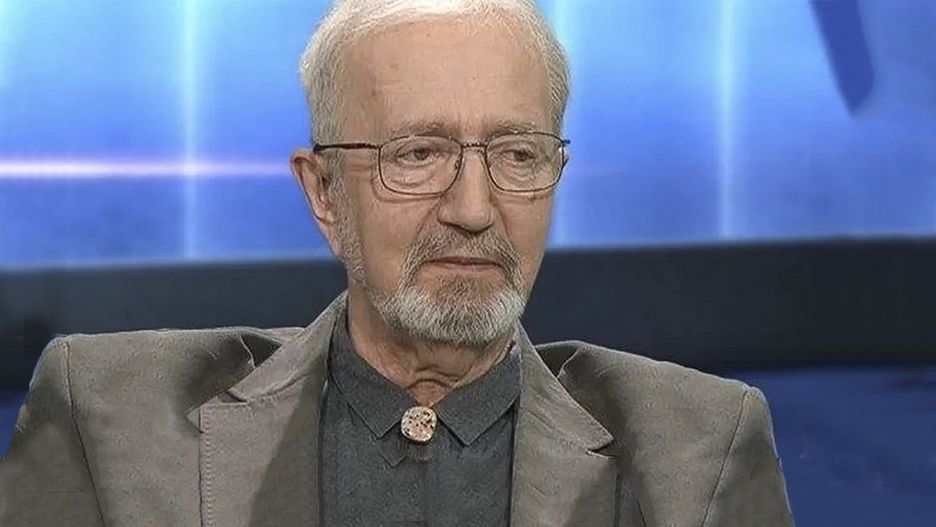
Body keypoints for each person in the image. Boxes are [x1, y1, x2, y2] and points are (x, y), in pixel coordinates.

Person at [0, 0, 794, 525]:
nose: (474, 207)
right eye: (418, 154)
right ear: (324, 193)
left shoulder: (699, 451)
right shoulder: (111, 420)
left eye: (518, 154)